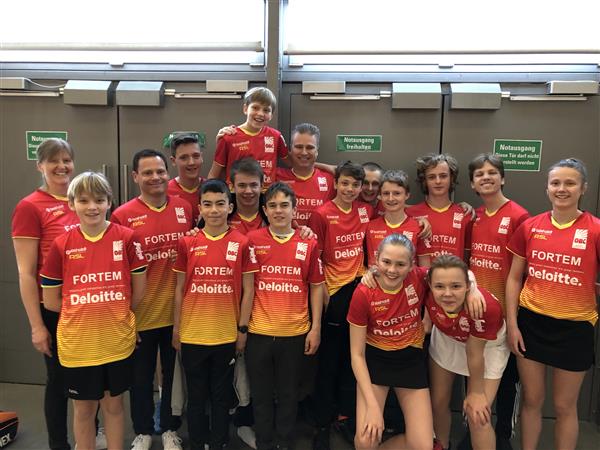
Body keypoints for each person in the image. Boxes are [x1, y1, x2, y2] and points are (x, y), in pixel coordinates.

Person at [40, 171, 147, 450]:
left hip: (117, 342)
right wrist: (85, 310)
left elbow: (138, 292)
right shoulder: (61, 244)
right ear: (71, 204)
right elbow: (50, 301)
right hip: (78, 346)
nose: (92, 207)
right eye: (84, 200)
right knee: (84, 410)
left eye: (99, 200)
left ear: (109, 202)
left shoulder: (127, 238)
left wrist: (115, 314)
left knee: (114, 407)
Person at [505, 158, 599, 450]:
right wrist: (512, 325)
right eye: (555, 183)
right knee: (532, 400)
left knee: (564, 406)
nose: (562, 189)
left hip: (575, 328)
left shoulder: (595, 229)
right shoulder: (530, 226)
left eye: (570, 183)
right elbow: (514, 278)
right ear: (547, 188)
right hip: (531, 324)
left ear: (583, 188)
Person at [112, 149, 193, 450]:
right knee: (141, 378)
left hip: (177, 314)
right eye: (147, 172)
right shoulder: (123, 215)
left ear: (167, 173)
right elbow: (118, 270)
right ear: (135, 177)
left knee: (172, 378)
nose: (155, 177)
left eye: (160, 171)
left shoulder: (184, 208)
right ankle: (143, 431)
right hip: (141, 314)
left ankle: (170, 428)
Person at [172, 179, 254, 450]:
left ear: (230, 207)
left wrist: (242, 330)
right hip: (192, 334)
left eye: (220, 203)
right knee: (196, 398)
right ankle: (197, 443)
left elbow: (248, 290)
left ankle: (219, 443)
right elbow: (179, 289)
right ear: (200, 208)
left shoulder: (241, 243)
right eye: (207, 204)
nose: (214, 210)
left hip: (226, 335)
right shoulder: (187, 242)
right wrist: (176, 329)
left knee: (221, 397)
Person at [245, 182, 325, 450]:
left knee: (290, 395)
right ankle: (264, 442)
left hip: (295, 333)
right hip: (259, 332)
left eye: (284, 205)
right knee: (261, 395)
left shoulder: (308, 242)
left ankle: (284, 443)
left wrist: (315, 328)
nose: (279, 211)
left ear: (294, 209)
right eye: (273, 206)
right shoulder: (252, 241)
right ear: (265, 210)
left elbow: (316, 287)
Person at [11, 138, 80, 450]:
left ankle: (91, 434)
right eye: (54, 160)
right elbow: (26, 273)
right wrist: (37, 326)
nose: (61, 166)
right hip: (52, 308)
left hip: (86, 305)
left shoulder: (81, 199)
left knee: (89, 374)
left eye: (66, 160)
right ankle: (58, 443)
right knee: (59, 380)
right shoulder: (30, 207)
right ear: (40, 165)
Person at [308, 161, 373, 450]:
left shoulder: (366, 211)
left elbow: (397, 210)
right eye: (344, 183)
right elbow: (317, 257)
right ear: (336, 183)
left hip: (360, 291)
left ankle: (345, 418)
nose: (349, 189)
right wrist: (323, 294)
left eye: (355, 185)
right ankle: (321, 425)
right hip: (333, 293)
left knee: (353, 361)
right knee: (328, 364)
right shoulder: (322, 214)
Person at [348, 234, 433, 450]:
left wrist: (472, 289)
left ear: (411, 265)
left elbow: (455, 272)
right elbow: (356, 355)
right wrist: (373, 407)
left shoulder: (419, 277)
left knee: (422, 447)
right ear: (376, 258)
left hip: (410, 361)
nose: (392, 270)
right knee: (365, 442)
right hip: (376, 362)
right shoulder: (363, 293)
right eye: (386, 262)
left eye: (400, 264)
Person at [467, 153, 529, 450]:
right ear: (472, 183)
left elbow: (521, 274)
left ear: (502, 178)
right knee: (476, 378)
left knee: (506, 381)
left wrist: (513, 320)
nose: (486, 178)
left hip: (508, 315)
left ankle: (503, 436)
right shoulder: (475, 216)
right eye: (480, 174)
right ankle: (474, 434)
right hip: (478, 314)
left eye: (492, 172)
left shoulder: (519, 216)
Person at [425, 255, 509, 450]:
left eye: (456, 286)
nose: (447, 294)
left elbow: (474, 352)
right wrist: (372, 274)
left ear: (468, 286)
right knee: (437, 403)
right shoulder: (424, 284)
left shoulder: (485, 308)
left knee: (477, 415)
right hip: (447, 337)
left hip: (486, 348)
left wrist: (477, 393)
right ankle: (441, 446)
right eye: (439, 287)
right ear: (429, 285)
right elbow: (396, 270)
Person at [207, 87, 288, 190]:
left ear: (271, 115)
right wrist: (206, 195)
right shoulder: (228, 137)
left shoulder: (276, 136)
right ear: (245, 109)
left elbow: (294, 163)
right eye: (255, 108)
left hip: (266, 194)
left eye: (266, 110)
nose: (260, 113)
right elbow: (214, 174)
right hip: (236, 194)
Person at [407, 153, 472, 260]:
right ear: (424, 181)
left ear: (451, 178)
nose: (438, 181)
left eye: (443, 176)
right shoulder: (410, 214)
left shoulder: (465, 214)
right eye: (431, 177)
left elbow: (467, 259)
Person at [365, 170, 431, 268]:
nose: (391, 198)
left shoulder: (419, 228)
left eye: (397, 193)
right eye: (386, 193)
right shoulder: (370, 226)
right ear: (380, 196)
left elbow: (425, 269)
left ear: (407, 195)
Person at [276, 123, 335, 226]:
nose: (304, 152)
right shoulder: (275, 176)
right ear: (291, 149)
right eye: (299, 147)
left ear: (317, 151)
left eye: (310, 147)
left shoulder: (330, 180)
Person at [168, 133, 205, 225]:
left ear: (201, 157)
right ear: (173, 161)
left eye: (196, 156)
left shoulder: (212, 189)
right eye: (184, 158)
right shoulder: (165, 192)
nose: (191, 162)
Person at [228, 158, 269, 233]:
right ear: (232, 187)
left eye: (253, 185)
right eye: (242, 185)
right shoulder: (222, 213)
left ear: (262, 186)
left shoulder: (272, 213)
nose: (248, 191)